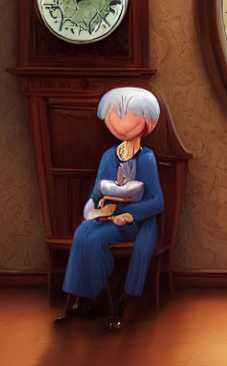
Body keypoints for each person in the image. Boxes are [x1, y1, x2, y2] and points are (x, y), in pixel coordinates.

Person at [55, 87, 164, 330]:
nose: (119, 121)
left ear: (148, 121)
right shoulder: (108, 156)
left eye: (127, 115)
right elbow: (97, 192)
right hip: (108, 217)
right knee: (83, 234)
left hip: (134, 223)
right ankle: (81, 297)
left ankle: (106, 299)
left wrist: (129, 215)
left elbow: (157, 201)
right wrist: (92, 209)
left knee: (95, 240)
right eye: (114, 115)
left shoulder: (146, 158)